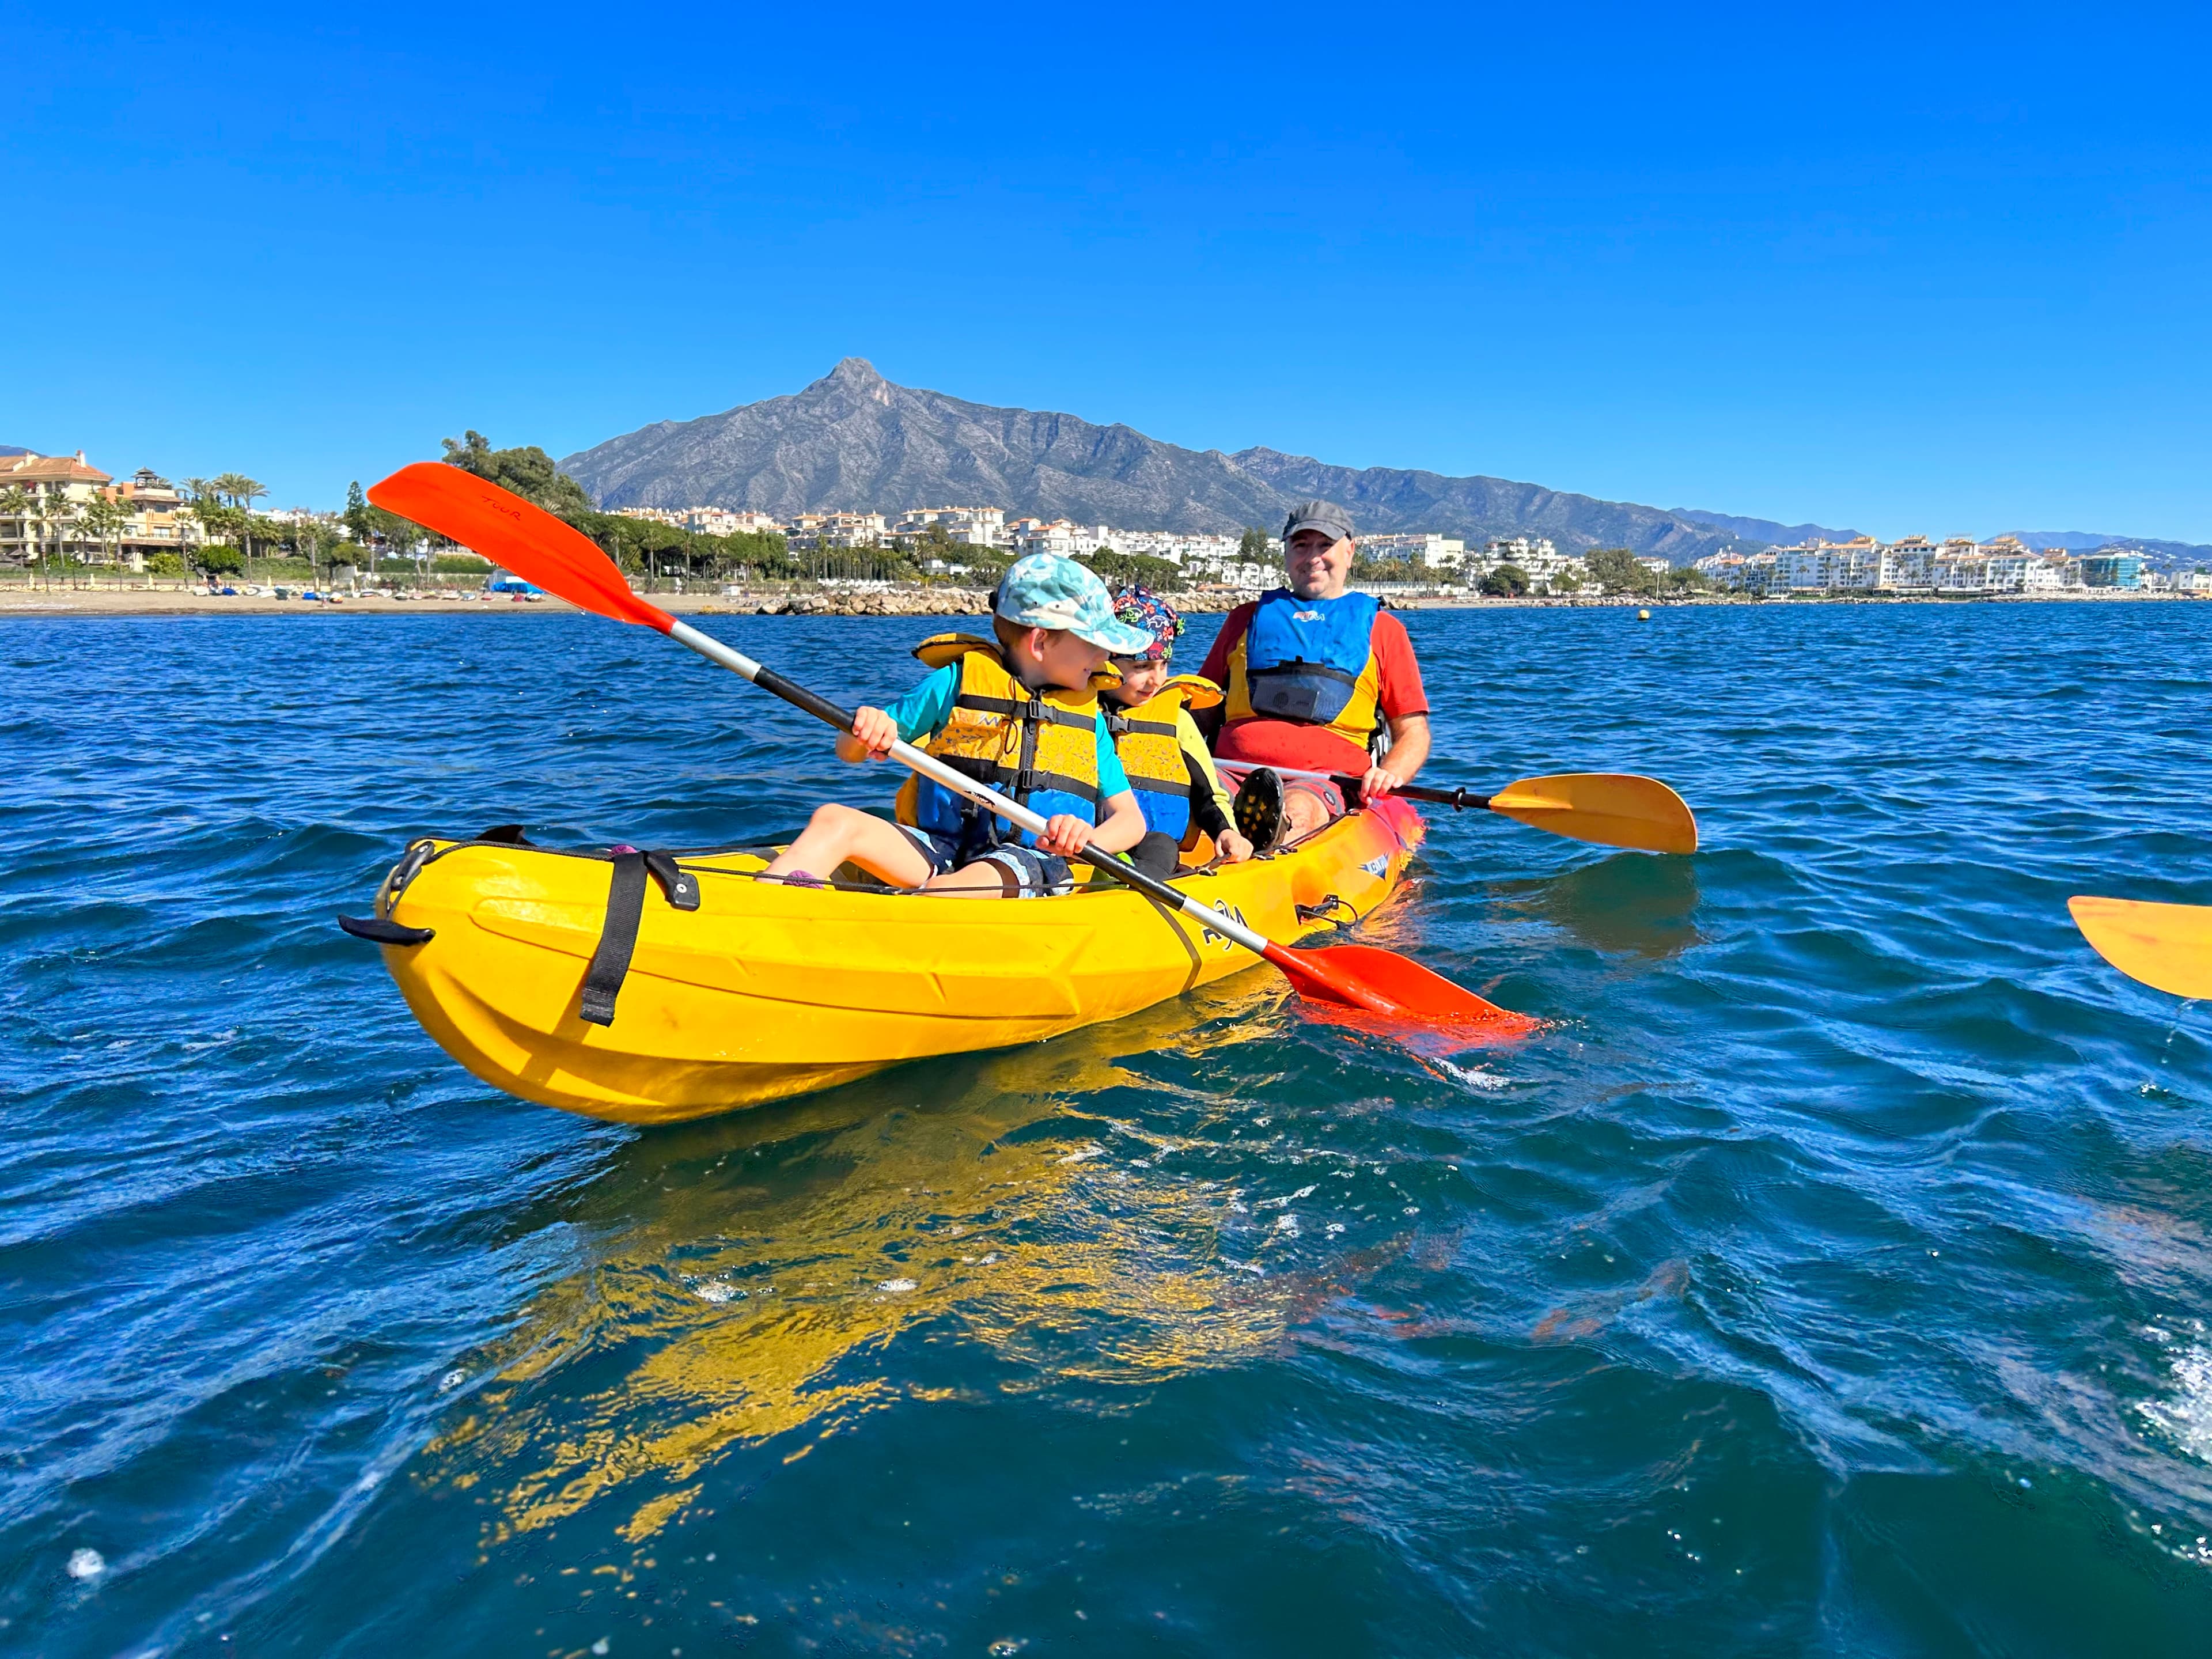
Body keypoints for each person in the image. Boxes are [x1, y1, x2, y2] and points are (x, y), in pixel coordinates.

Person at [762, 554, 1155, 896]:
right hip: (938, 847)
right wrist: (867, 729)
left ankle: (904, 915)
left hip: (1030, 860)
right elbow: (849, 752)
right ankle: (764, 911)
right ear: (1040, 642)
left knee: (961, 886)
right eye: (1094, 643)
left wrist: (1085, 839)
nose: (1105, 656)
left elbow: (1130, 822)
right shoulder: (954, 683)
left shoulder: (1087, 717)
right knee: (834, 819)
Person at [1196, 499, 1431, 847]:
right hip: (1230, 771)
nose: (1312, 557)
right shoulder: (1242, 620)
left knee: (1299, 811)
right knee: (1192, 803)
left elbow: (1413, 732)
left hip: (1324, 783)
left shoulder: (1384, 631)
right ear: (1287, 553)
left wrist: (1390, 774)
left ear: (1349, 551)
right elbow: (1201, 710)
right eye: (1301, 545)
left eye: (1325, 545)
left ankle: (1270, 852)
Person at [1100, 587, 1254, 878]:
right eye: (1142, 666)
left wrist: (1226, 831)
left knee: (1161, 846)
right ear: (1104, 659)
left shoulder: (1178, 721)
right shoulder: (1079, 711)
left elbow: (1208, 794)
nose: (1156, 680)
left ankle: (1135, 889)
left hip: (1151, 842)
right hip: (1086, 835)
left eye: (1164, 665)